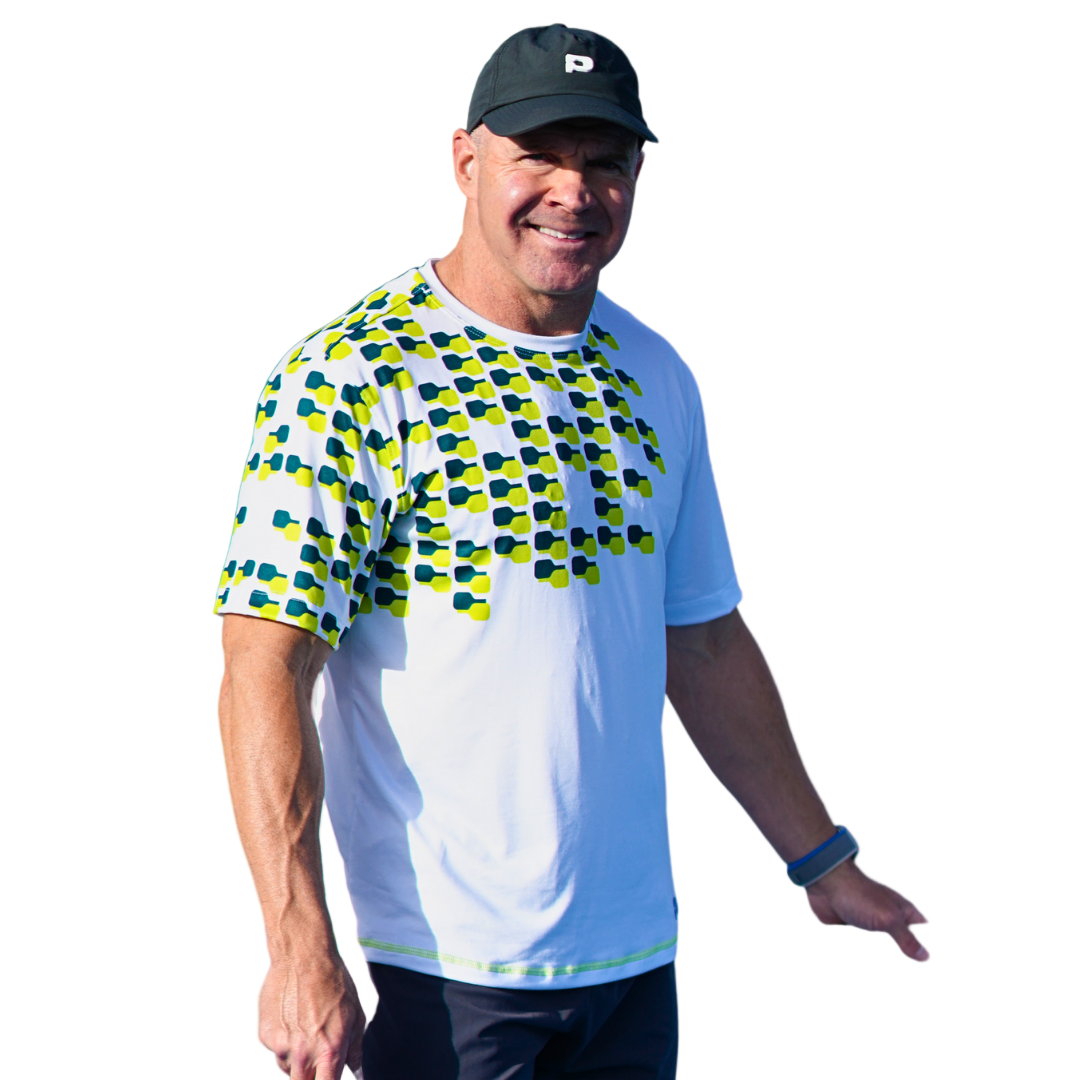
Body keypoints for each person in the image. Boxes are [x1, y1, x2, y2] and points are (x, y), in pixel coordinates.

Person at [215, 23, 927, 1080]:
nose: (574, 191)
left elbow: (703, 640)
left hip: (634, 964)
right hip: (445, 971)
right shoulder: (352, 377)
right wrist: (294, 945)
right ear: (465, 160)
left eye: (606, 163)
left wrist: (819, 857)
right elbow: (263, 664)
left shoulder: (655, 375)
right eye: (538, 156)